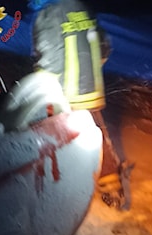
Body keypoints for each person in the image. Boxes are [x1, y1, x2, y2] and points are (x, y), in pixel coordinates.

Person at [30, 0, 132, 210]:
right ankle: (112, 188)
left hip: (65, 91)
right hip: (91, 86)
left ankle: (62, 193)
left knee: (58, 139)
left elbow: (49, 55)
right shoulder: (81, 6)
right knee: (97, 132)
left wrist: (42, 85)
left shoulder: (48, 14)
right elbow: (104, 45)